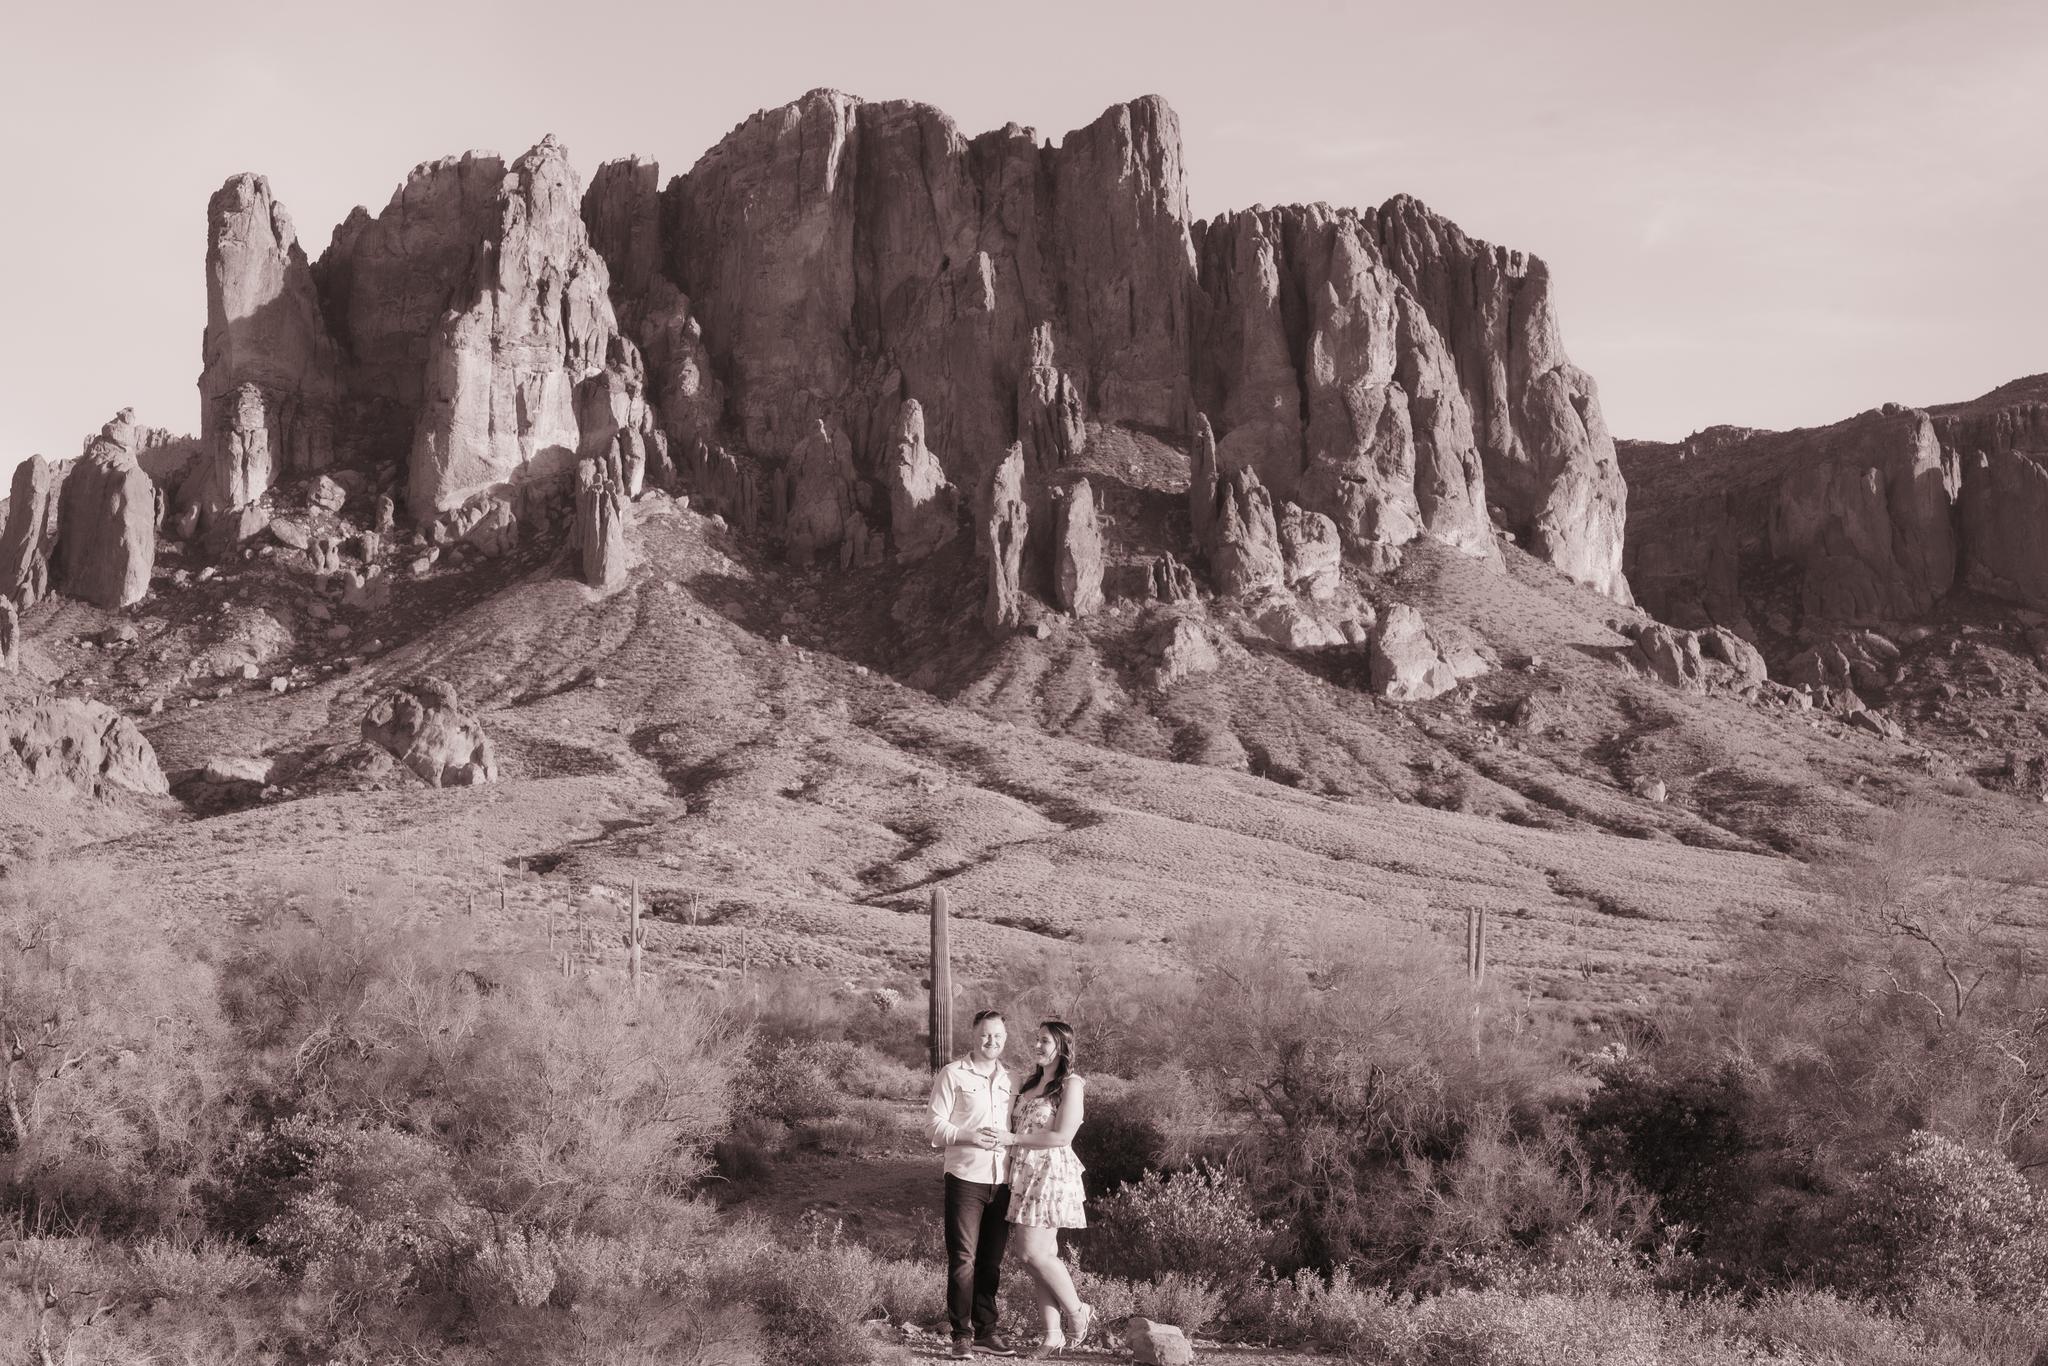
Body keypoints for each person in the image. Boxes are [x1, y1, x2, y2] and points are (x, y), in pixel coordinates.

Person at [993, 1020, 1093, 1358]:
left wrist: (1014, 1139)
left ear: (1062, 1047)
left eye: (1046, 1041)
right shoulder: (1031, 1082)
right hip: (1023, 1173)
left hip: (1050, 1173)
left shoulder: (1071, 1084)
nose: (1038, 1046)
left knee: (1029, 1252)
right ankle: (1052, 1336)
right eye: (1036, 1040)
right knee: (1041, 1258)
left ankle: (1079, 1311)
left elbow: (1063, 1136)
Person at [926, 1008, 1019, 1359]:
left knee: (991, 1262)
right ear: (973, 1035)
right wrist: (969, 1137)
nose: (991, 1041)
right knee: (963, 1258)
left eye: (997, 1036)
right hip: (966, 1178)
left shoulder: (1013, 1080)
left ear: (1005, 1039)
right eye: (985, 1035)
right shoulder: (952, 1074)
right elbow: (933, 1127)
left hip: (1002, 1181)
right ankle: (961, 1335)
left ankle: (986, 1332)